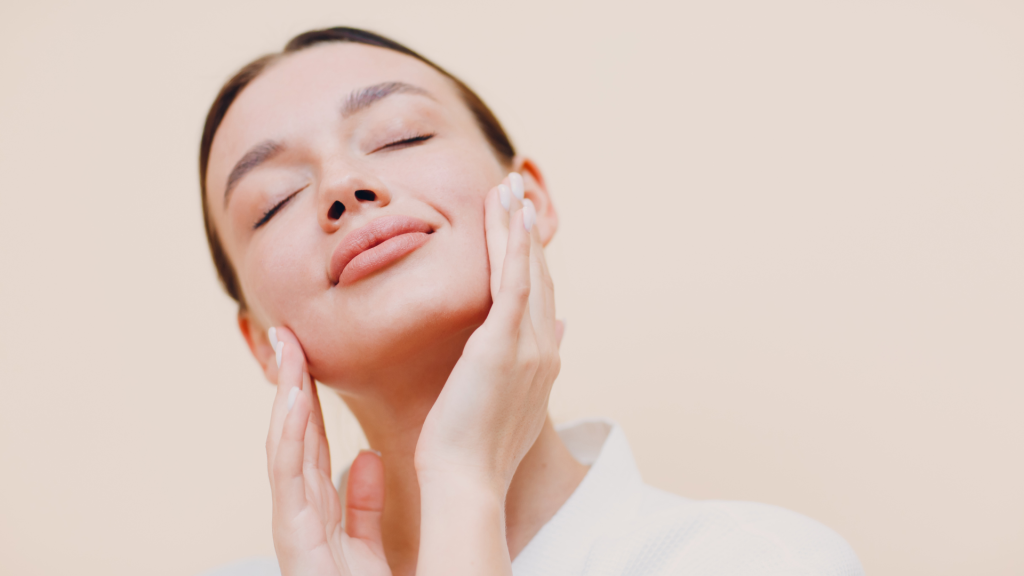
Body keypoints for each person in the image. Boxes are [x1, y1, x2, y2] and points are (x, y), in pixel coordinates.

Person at [198, 27, 864, 576]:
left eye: (401, 135)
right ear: (258, 340)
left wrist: (463, 488)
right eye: (275, 200)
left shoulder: (757, 560)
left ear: (531, 200)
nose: (343, 187)